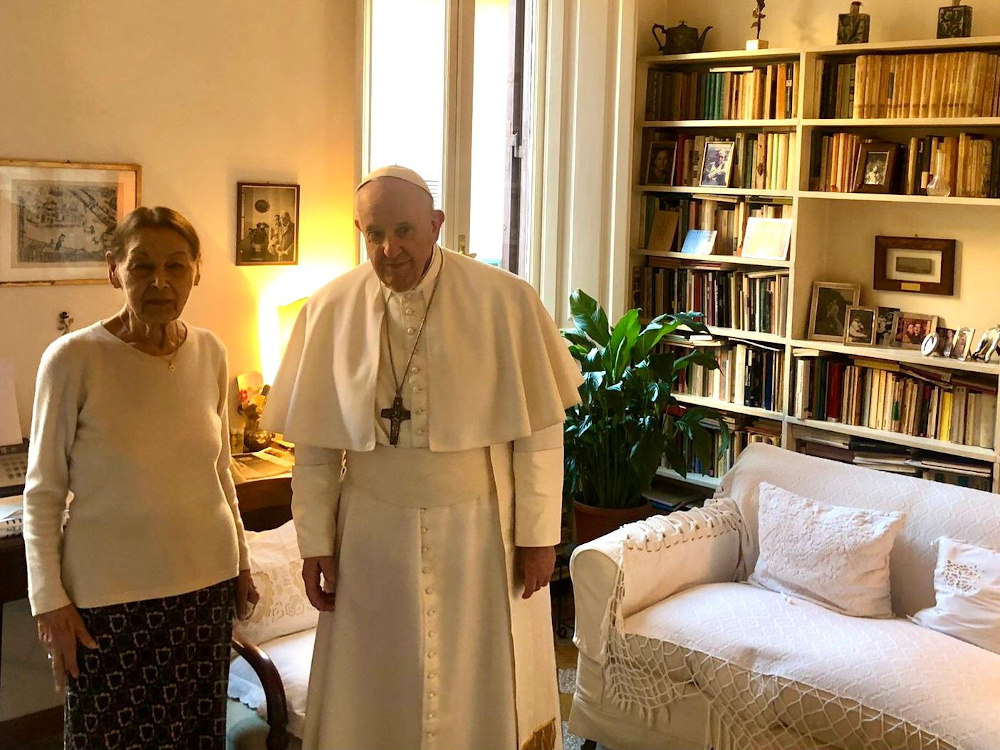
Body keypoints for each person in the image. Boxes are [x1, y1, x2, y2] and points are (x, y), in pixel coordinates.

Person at [263, 166, 582, 749]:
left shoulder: (504, 300)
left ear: (436, 224)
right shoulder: (329, 308)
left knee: (478, 674)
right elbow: (314, 451)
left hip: (480, 527)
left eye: (405, 230)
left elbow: (538, 434)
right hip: (371, 530)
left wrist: (539, 536)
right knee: (380, 679)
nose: (391, 249)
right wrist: (314, 543)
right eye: (375, 233)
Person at [23, 206, 259, 749]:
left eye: (176, 266)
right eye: (141, 266)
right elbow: (42, 494)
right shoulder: (72, 359)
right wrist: (49, 600)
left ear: (196, 272)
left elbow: (220, 471)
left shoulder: (212, 352)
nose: (160, 281)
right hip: (107, 599)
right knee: (106, 737)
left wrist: (242, 563)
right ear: (114, 270)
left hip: (204, 589)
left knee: (195, 734)